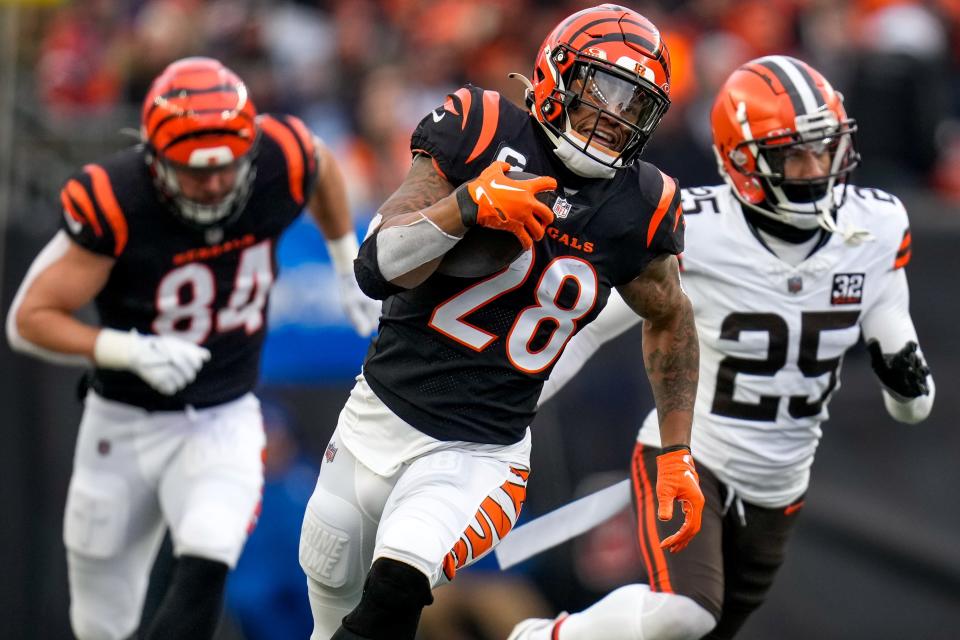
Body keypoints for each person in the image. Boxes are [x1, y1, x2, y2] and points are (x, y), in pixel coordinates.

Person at [298, 5, 705, 640]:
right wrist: (469, 205)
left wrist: (678, 450)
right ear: (556, 76)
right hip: (373, 417)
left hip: (479, 452)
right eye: (605, 93)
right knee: (329, 608)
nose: (616, 118)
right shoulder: (481, 126)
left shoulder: (642, 204)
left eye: (636, 106)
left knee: (395, 589)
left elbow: (670, 318)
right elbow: (376, 269)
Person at [508, 55, 936, 640]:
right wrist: (507, 404)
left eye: (825, 146)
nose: (817, 167)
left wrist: (907, 375)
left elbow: (910, 398)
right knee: (685, 613)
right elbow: (589, 328)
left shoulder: (876, 226)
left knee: (699, 633)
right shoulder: (695, 225)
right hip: (688, 453)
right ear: (743, 162)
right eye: (793, 153)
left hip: (779, 483)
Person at [5, 57, 379, 640]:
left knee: (210, 551)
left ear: (249, 150)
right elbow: (28, 320)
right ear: (154, 158)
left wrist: (340, 259)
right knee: (100, 619)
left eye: (225, 169)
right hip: (123, 420)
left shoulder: (281, 156)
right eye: (192, 171)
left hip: (222, 414)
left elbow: (321, 166)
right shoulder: (119, 198)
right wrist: (123, 350)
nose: (211, 184)